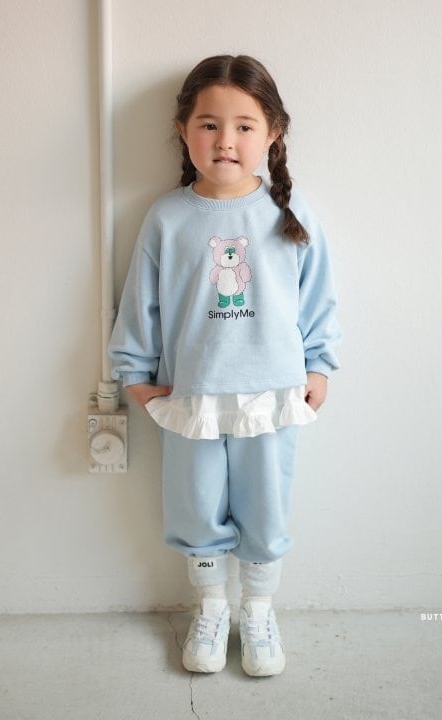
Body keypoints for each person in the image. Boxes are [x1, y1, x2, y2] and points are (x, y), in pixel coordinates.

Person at [109, 54, 342, 677]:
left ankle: (258, 609)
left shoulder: (290, 214)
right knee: (195, 502)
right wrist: (135, 376)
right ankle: (211, 605)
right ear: (183, 131)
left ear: (273, 133)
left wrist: (319, 366)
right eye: (209, 124)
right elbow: (141, 303)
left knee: (266, 503)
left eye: (244, 125)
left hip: (274, 395)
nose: (226, 140)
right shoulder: (168, 217)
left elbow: (318, 299)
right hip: (192, 395)